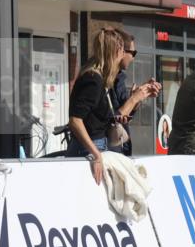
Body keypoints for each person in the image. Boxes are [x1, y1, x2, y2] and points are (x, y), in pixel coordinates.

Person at [68, 28, 160, 184]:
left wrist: (136, 99)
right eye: (124, 51)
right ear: (116, 52)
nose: (126, 56)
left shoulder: (100, 78)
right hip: (90, 147)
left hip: (96, 145)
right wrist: (96, 154)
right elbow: (75, 120)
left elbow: (109, 118)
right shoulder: (93, 79)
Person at [109, 29, 140, 156]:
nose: (133, 57)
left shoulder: (120, 77)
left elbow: (125, 116)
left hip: (121, 144)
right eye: (133, 53)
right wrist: (133, 99)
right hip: (109, 146)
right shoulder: (99, 78)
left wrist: (136, 99)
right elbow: (113, 118)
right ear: (121, 51)